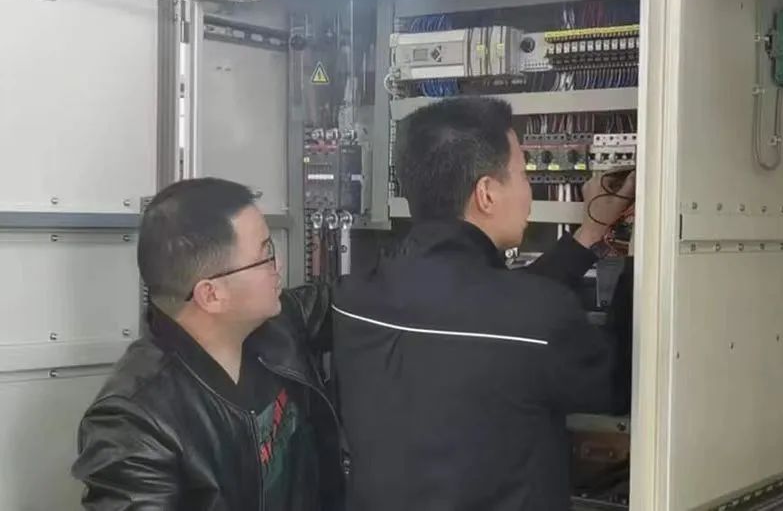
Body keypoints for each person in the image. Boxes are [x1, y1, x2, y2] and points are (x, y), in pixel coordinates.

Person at [333, 98, 634, 511]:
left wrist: (589, 234)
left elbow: (485, 309)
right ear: (487, 194)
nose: (528, 192)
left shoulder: (352, 300)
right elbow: (621, 385)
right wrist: (641, 245)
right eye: (524, 175)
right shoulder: (537, 316)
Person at [72, 178, 345, 511]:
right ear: (211, 295)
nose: (279, 266)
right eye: (266, 255)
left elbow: (354, 302)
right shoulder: (133, 424)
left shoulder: (276, 323)